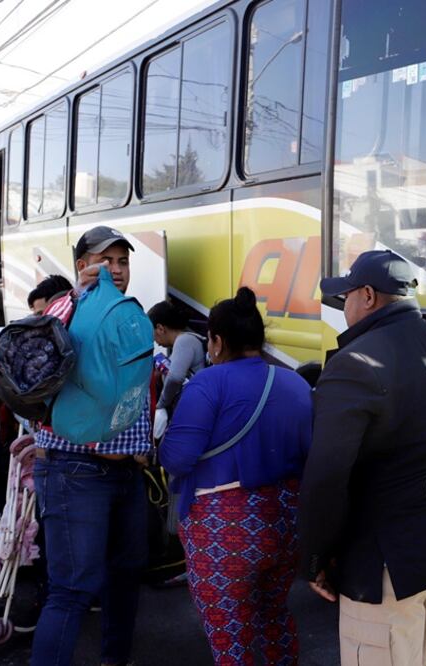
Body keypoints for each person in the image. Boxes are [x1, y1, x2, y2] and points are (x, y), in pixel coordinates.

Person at [300, 250, 426, 666]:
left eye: (346, 297)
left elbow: (326, 479)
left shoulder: (354, 363)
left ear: (367, 295)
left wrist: (314, 557)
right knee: (420, 656)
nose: (344, 308)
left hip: (381, 562)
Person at [160, 287, 312, 665]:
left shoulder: (208, 384)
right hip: (285, 523)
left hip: (222, 531)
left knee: (231, 635)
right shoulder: (294, 383)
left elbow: (177, 459)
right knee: (274, 616)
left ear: (216, 341)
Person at [30, 225, 149, 666]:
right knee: (72, 590)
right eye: (106, 261)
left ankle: (115, 660)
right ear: (83, 265)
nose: (116, 269)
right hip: (76, 472)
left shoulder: (123, 312)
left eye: (123, 261)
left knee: (125, 577)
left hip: (126, 472)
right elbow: (36, 371)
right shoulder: (65, 309)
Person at [147, 300, 206, 439]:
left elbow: (175, 377)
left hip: (193, 413)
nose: (155, 341)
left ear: (160, 328)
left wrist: (160, 405)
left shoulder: (183, 341)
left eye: (152, 334)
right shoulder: (186, 341)